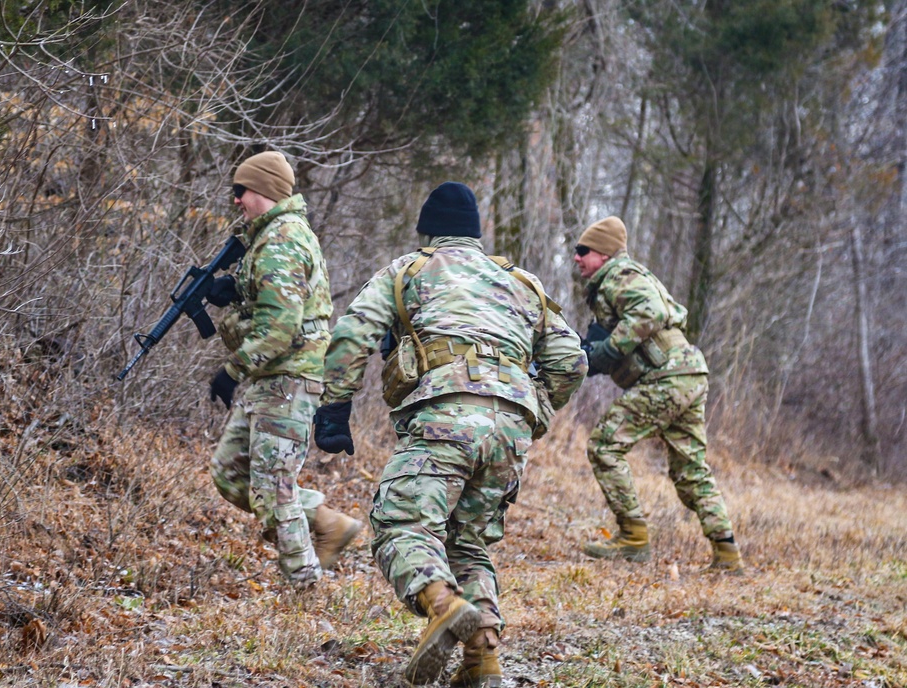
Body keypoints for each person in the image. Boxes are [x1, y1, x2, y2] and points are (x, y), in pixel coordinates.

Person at [313, 182, 587, 686]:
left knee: (401, 523)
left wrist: (333, 407)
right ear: (476, 234)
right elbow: (571, 360)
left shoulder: (410, 269)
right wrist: (532, 410)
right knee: (468, 540)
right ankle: (483, 658)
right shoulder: (521, 281)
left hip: (446, 413)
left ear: (427, 233)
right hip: (510, 428)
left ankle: (442, 604)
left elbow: (354, 333)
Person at [206, 150, 362, 589]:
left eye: (242, 191)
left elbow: (280, 326)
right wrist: (233, 291)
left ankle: (305, 586)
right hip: (270, 378)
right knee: (230, 473)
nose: (236, 199)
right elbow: (270, 305)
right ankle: (327, 522)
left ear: (266, 191)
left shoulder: (282, 240)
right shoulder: (268, 238)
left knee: (274, 489)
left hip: (288, 379)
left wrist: (232, 370)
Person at [573, 216, 743, 573]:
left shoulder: (621, 276)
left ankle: (633, 538)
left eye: (583, 251)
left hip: (667, 378)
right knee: (689, 469)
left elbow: (650, 312)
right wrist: (595, 354)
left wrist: (608, 351)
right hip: (686, 374)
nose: (577, 258)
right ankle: (727, 553)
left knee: (604, 446)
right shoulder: (616, 279)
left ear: (603, 254)